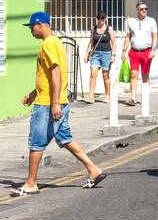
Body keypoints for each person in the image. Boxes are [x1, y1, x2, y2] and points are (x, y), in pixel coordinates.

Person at [11, 12, 106, 196]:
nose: (31, 31)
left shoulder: (48, 44)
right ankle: (93, 169)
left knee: (36, 143)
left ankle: (31, 183)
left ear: (40, 25)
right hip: (58, 99)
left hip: (48, 104)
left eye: (32, 27)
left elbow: (56, 74)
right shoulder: (56, 43)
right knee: (65, 138)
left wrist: (53, 103)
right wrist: (33, 94)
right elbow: (47, 77)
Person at [121, 1, 158, 107]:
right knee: (133, 74)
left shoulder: (151, 21)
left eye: (146, 9)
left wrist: (153, 50)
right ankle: (132, 98)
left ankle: (145, 97)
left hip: (147, 51)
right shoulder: (131, 21)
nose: (144, 11)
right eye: (142, 9)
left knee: (145, 75)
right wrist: (124, 50)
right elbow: (128, 36)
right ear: (137, 10)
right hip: (134, 52)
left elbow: (154, 36)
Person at [81, 10, 115, 105]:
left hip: (106, 54)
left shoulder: (109, 29)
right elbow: (91, 42)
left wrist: (113, 55)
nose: (100, 21)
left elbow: (114, 43)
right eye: (99, 19)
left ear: (105, 19)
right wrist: (86, 54)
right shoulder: (94, 29)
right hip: (95, 54)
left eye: (102, 19)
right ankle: (91, 96)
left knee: (105, 76)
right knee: (93, 74)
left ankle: (107, 95)